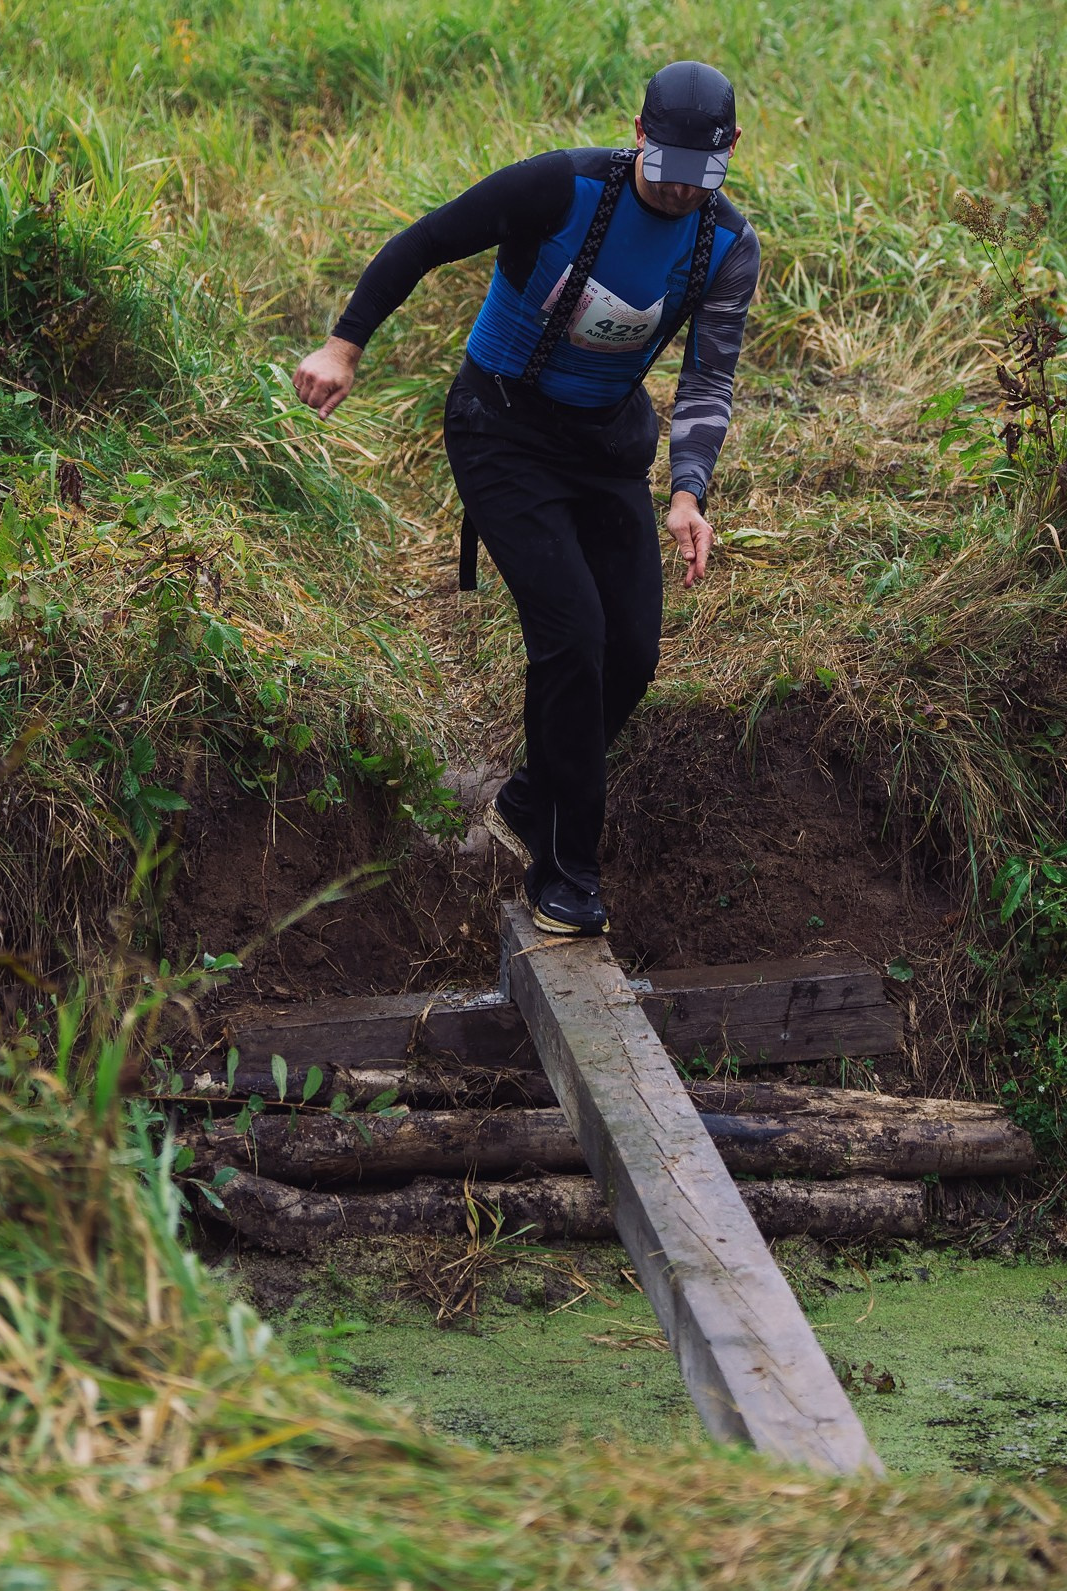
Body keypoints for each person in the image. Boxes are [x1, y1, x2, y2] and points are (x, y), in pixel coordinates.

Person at [293, 60, 759, 939]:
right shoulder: (563, 186)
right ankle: (565, 872)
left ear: (732, 152)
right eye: (665, 174)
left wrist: (689, 492)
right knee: (573, 639)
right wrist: (344, 344)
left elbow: (708, 382)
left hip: (605, 448)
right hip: (500, 430)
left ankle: (528, 794)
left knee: (631, 654)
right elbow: (425, 242)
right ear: (639, 136)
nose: (679, 196)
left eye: (702, 180)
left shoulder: (727, 246)